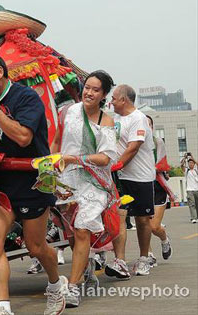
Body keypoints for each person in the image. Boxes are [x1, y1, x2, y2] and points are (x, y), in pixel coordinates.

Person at [0, 50, 66, 315]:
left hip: (32, 182)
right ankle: (3, 307)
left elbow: (23, 137)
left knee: (35, 247)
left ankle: (56, 284)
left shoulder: (26, 97)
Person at [50, 70, 117, 307]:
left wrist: (75, 159)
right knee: (70, 234)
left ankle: (73, 287)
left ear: (104, 95)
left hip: (93, 182)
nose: (89, 92)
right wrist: (51, 164)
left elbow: (106, 158)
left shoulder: (106, 122)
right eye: (87, 87)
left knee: (81, 230)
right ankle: (86, 267)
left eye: (95, 89)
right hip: (66, 180)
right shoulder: (68, 112)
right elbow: (57, 140)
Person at [106, 84, 155, 278]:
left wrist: (116, 165)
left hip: (140, 177)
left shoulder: (138, 119)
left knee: (142, 220)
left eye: (114, 99)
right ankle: (120, 261)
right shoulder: (115, 118)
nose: (111, 102)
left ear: (124, 100)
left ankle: (144, 258)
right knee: (119, 217)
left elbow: (133, 148)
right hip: (121, 178)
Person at [145, 115, 173, 266]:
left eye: (149, 124)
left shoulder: (157, 142)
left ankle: (165, 239)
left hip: (157, 186)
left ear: (152, 127)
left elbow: (162, 164)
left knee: (154, 226)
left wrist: (146, 169)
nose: (146, 127)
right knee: (144, 223)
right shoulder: (132, 144)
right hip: (141, 186)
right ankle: (148, 255)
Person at [181, 153, 198, 223]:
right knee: (192, 204)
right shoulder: (186, 171)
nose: (190, 164)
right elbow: (182, 165)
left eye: (192, 163)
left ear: (194, 164)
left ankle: (196, 217)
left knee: (197, 204)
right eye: (189, 163)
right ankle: (193, 218)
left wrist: (191, 156)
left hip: (197, 189)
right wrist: (184, 158)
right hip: (189, 190)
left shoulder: (196, 170)